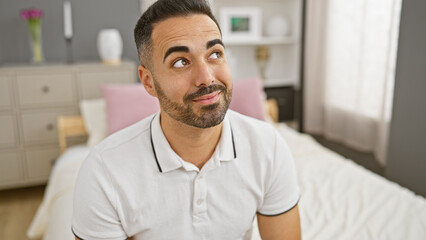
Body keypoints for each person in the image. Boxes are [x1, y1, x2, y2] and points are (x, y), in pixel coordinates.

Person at [72, 0, 301, 239]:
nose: (206, 77)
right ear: (148, 81)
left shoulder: (269, 147)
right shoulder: (103, 172)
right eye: (180, 62)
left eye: (215, 54)